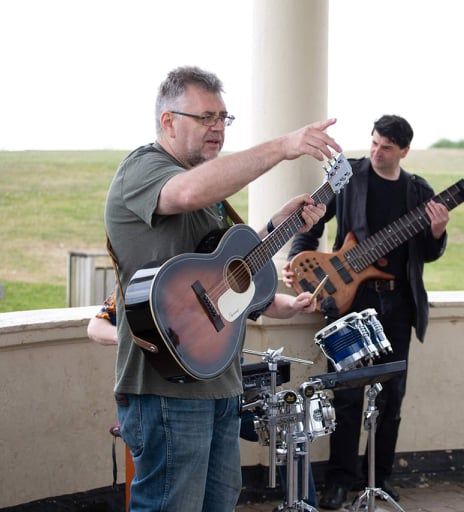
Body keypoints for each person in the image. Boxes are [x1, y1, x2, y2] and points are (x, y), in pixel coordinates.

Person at [105, 65, 339, 511]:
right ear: (168, 121)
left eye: (223, 118)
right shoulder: (144, 168)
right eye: (205, 117)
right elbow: (185, 194)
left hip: (220, 380)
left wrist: (277, 225)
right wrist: (284, 146)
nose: (218, 127)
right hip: (167, 384)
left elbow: (226, 267)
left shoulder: (211, 197)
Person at [283, 114, 450, 509]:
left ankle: (380, 478)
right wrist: (297, 259)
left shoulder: (419, 192)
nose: (377, 152)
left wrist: (437, 232)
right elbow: (310, 220)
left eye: (386, 147)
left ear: (404, 151)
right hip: (350, 300)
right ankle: (339, 481)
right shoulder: (348, 176)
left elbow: (428, 253)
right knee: (346, 394)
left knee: (391, 396)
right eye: (374, 143)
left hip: (398, 304)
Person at [87, 292, 319, 507]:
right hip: (175, 395)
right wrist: (134, 336)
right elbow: (96, 326)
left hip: (228, 395)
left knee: (285, 428)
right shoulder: (146, 287)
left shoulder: (226, 280)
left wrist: (294, 304)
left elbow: (267, 300)